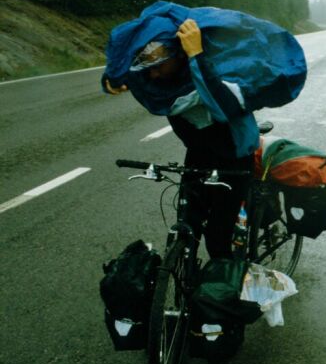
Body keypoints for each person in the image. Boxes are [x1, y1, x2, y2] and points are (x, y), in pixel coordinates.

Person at [105, 19, 254, 259]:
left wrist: (197, 54)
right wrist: (111, 77)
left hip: (234, 154)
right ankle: (189, 282)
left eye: (159, 66)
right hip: (198, 152)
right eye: (149, 68)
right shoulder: (161, 77)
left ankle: (225, 288)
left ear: (180, 55)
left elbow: (226, 107)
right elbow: (131, 71)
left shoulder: (213, 69)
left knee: (219, 238)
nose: (152, 74)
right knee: (187, 226)